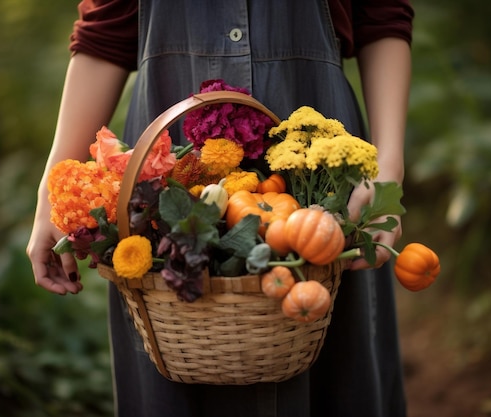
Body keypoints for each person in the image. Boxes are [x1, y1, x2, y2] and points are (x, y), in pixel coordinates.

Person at [27, 0, 414, 416]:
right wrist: (54, 191)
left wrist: (388, 165)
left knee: (327, 346)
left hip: (315, 141)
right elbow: (105, 33)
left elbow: (382, 15)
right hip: (171, 137)